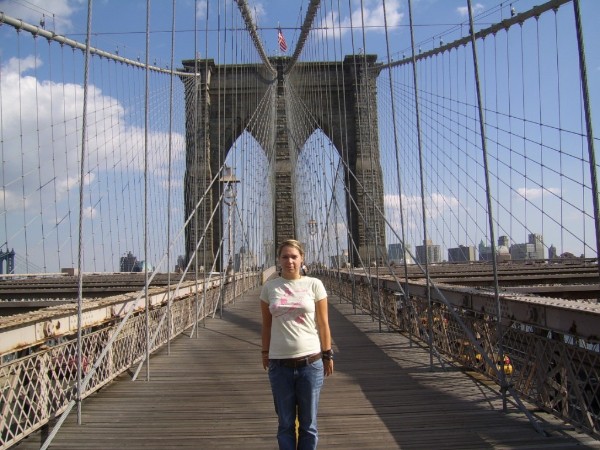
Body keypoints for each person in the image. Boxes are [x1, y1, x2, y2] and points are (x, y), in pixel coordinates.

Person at [260, 239, 334, 450]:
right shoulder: (269, 287)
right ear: (278, 260)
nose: (290, 261)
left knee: (309, 425)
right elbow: (266, 325)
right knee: (285, 423)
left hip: (310, 363)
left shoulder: (314, 284)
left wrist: (328, 354)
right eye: (285, 257)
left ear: (302, 258)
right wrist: (264, 353)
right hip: (279, 365)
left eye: (294, 256)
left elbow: (323, 323)